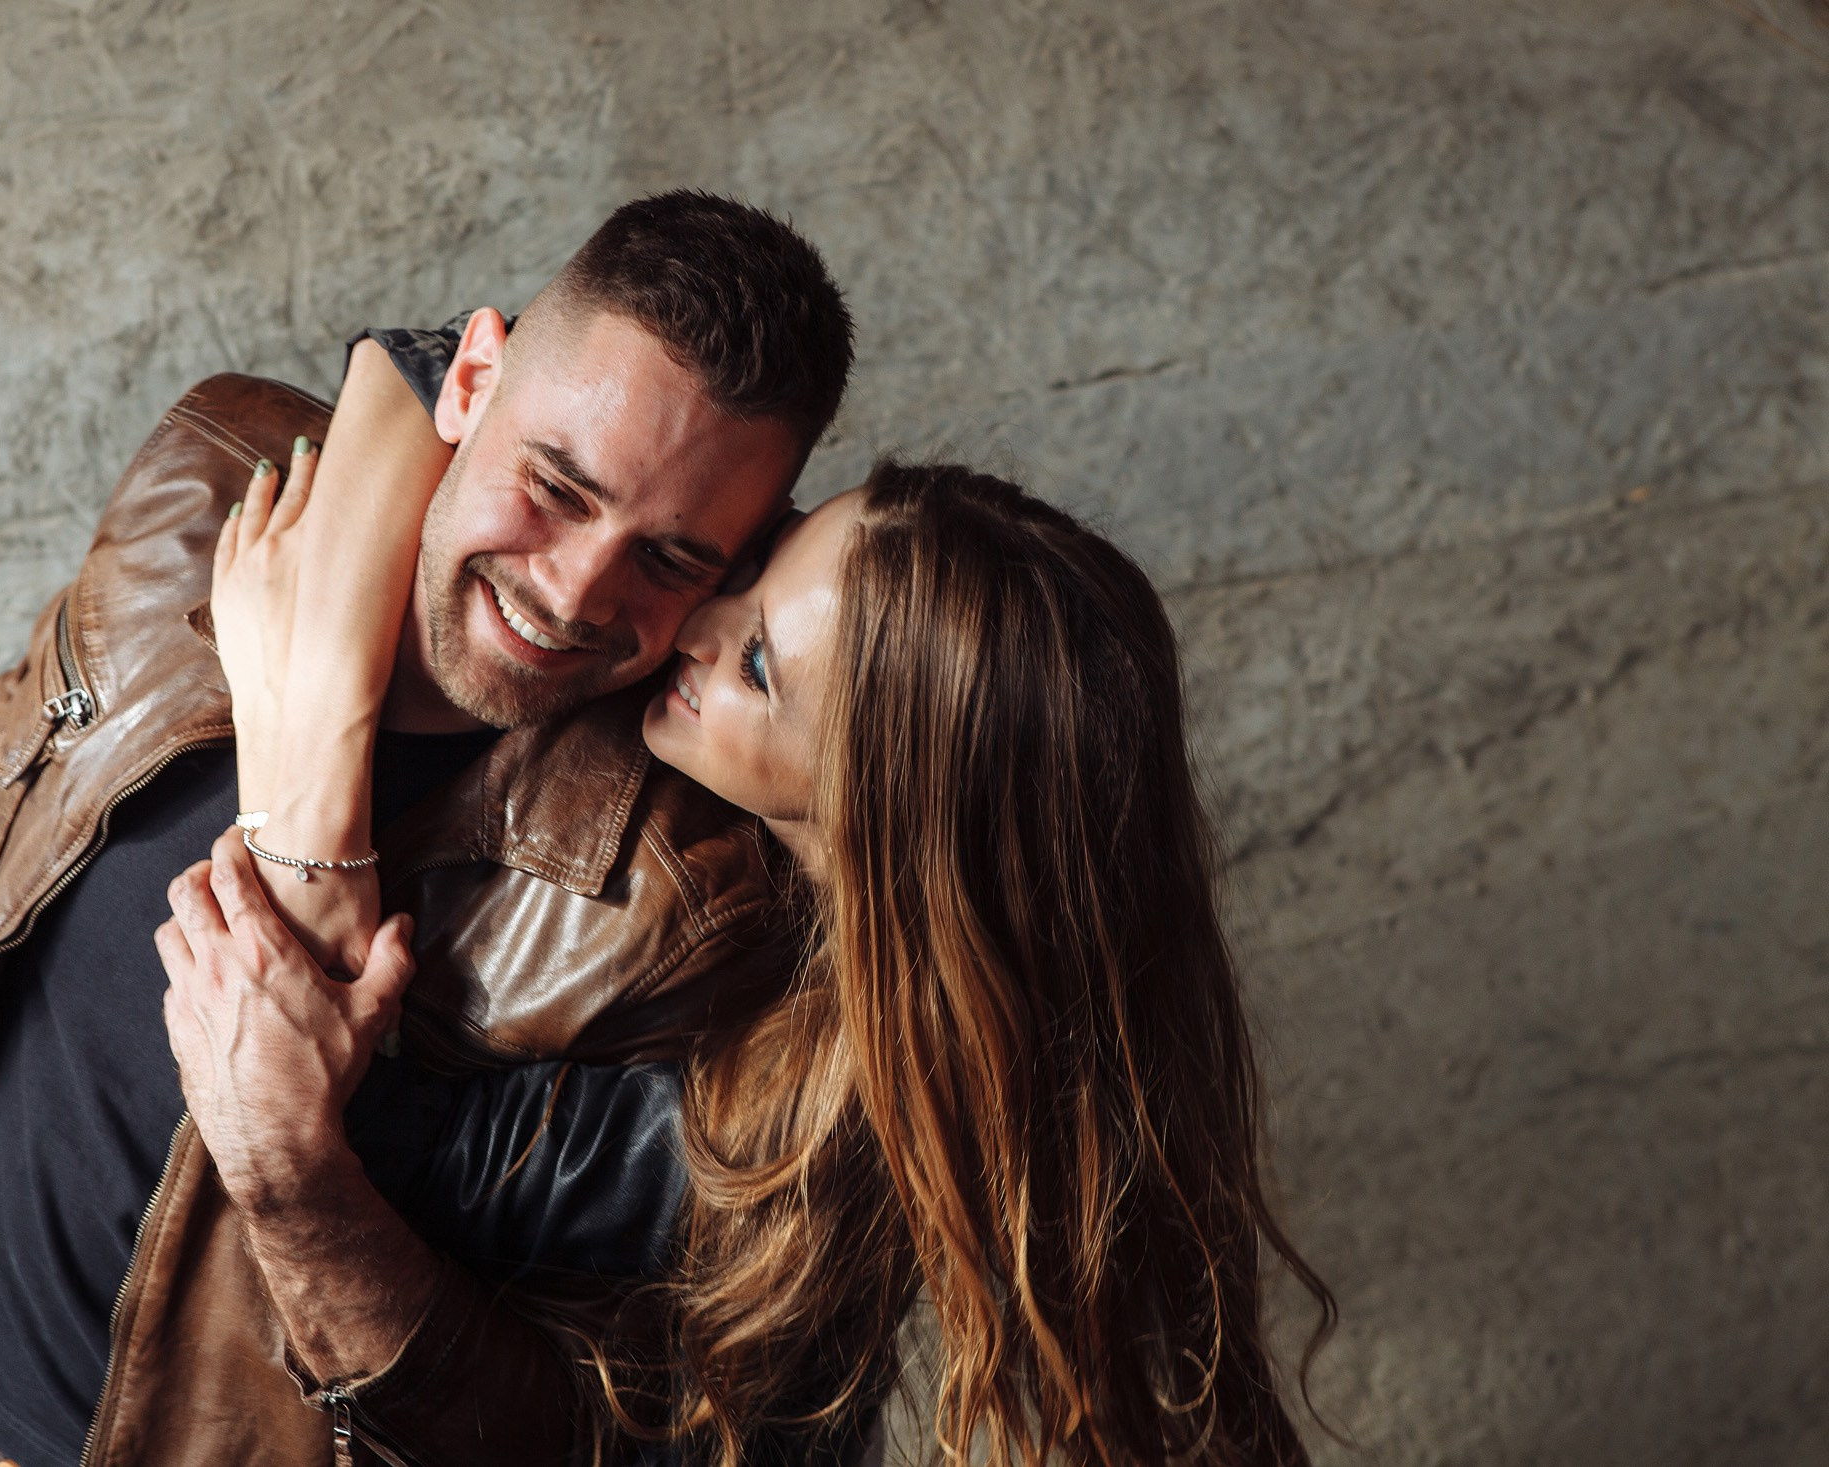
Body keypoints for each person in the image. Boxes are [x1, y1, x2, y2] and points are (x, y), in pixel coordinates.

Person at [0, 191, 855, 1466]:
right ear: (470, 379)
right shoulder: (206, 483)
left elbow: (593, 1426)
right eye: (556, 487)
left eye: (672, 559)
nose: (573, 593)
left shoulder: (680, 898)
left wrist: (298, 1162)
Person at [179, 425, 1339, 1460]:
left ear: (879, 817)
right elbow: (439, 357)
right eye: (761, 563)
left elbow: (362, 1131)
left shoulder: (792, 1135)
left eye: (756, 668)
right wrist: (313, 724)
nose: (694, 622)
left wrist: (299, 826)